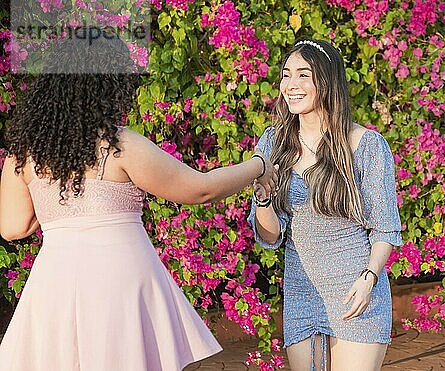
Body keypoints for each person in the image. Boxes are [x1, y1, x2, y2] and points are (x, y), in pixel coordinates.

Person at [0, 27, 277, 370]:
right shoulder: (120, 146)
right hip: (120, 279)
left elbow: (13, 227)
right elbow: (199, 188)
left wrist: (60, 202)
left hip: (54, 282)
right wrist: (259, 165)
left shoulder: (24, 155)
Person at [249, 39, 403, 371]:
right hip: (301, 292)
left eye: (304, 75)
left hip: (355, 291)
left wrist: (369, 277)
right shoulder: (272, 143)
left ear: (327, 81)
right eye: (287, 74)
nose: (292, 85)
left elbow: (384, 228)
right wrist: (262, 198)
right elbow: (272, 236)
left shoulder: (365, 145)